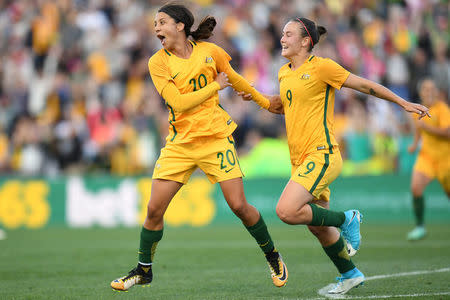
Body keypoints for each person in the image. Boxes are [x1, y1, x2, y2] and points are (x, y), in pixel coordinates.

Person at [239, 17, 429, 295]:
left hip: (322, 154)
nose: (282, 38)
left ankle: (348, 219)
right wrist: (255, 96)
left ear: (306, 41)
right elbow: (283, 106)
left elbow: (364, 86)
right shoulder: (284, 73)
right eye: (282, 33)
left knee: (286, 211)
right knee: (317, 226)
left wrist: (402, 102)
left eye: (288, 34)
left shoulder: (323, 67)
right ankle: (350, 274)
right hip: (301, 160)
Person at [110, 4, 287, 291]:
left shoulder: (210, 51)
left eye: (162, 22)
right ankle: (143, 270)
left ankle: (273, 255)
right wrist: (215, 86)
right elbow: (178, 103)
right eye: (155, 24)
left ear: (180, 25)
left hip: (216, 138)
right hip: (180, 144)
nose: (156, 28)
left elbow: (235, 77)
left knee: (239, 206)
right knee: (154, 210)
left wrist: (264, 101)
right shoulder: (158, 62)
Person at [407, 78, 450, 241]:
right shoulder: (418, 110)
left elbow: (447, 133)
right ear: (421, 93)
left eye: (432, 89)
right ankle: (420, 227)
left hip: (446, 160)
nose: (429, 91)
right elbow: (419, 131)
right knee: (416, 188)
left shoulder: (442, 109)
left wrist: (427, 128)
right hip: (427, 157)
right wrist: (414, 144)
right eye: (426, 89)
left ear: (437, 92)